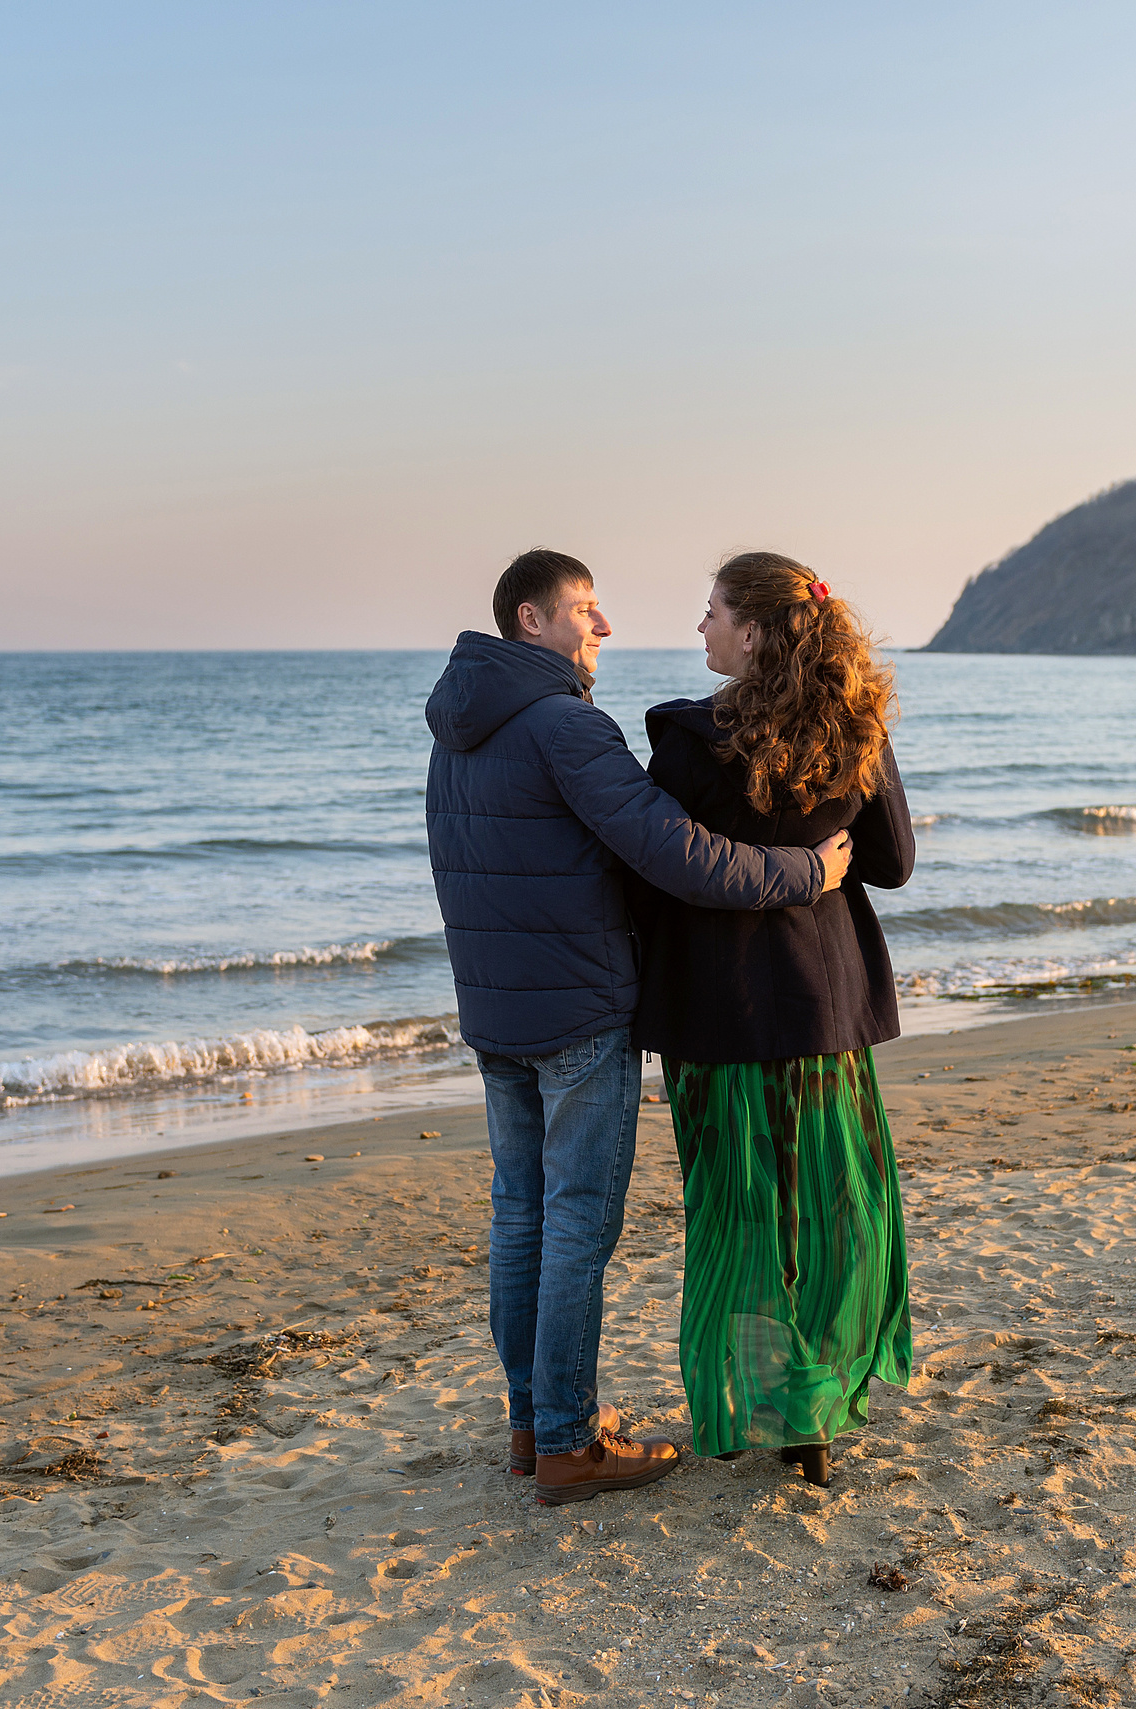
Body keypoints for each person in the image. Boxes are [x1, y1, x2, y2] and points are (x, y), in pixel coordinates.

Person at [424, 548, 854, 1506]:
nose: (603, 625)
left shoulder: (458, 728)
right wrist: (805, 875)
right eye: (585, 608)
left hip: (495, 1012)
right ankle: (571, 1442)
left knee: (520, 1217)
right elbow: (679, 854)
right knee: (575, 1224)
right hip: (578, 1012)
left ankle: (533, 1422)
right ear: (530, 621)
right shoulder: (566, 728)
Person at [632, 551, 915, 1487]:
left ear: (752, 631)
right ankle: (816, 1412)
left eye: (711, 611)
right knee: (830, 1203)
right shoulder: (856, 729)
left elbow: (655, 869)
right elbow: (893, 862)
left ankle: (766, 1398)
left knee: (737, 1209)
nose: (700, 627)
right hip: (823, 1007)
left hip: (717, 1014)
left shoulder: (683, 741)